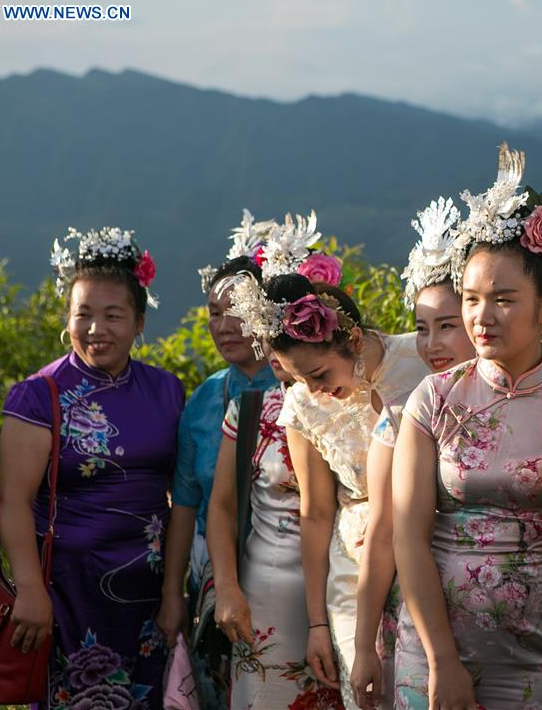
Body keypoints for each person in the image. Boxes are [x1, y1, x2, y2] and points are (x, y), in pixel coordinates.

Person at [392, 145, 542, 709]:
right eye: (472, 299)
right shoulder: (436, 397)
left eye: (504, 299)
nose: (482, 317)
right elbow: (407, 532)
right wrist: (441, 660)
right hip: (435, 649)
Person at [226, 255, 429, 709]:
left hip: (431, 549)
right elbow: (316, 513)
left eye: (318, 375)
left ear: (353, 340)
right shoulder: (301, 405)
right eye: (296, 378)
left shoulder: (419, 357)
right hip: (354, 567)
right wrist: (316, 623)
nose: (312, 391)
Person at [0, 227, 184, 708]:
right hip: (66, 593)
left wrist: (173, 591)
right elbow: (15, 501)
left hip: (148, 594)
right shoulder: (39, 396)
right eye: (84, 314)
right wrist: (29, 590)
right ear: (68, 319)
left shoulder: (166, 391)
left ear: (140, 322)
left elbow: (178, 492)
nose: (96, 329)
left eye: (113, 315)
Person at [206, 210, 346, 708]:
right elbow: (220, 506)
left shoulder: (369, 403)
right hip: (271, 599)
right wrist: (227, 588)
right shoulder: (255, 412)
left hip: (357, 594)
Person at [350, 195, 476, 709]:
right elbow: (383, 534)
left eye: (447, 325)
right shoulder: (401, 417)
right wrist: (362, 646)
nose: (432, 344)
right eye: (422, 328)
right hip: (426, 626)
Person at [157, 209, 277, 707]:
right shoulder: (205, 401)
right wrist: (172, 595)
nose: (224, 325)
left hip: (286, 569)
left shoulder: (306, 389)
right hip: (213, 576)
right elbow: (185, 504)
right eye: (213, 311)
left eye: (238, 310)